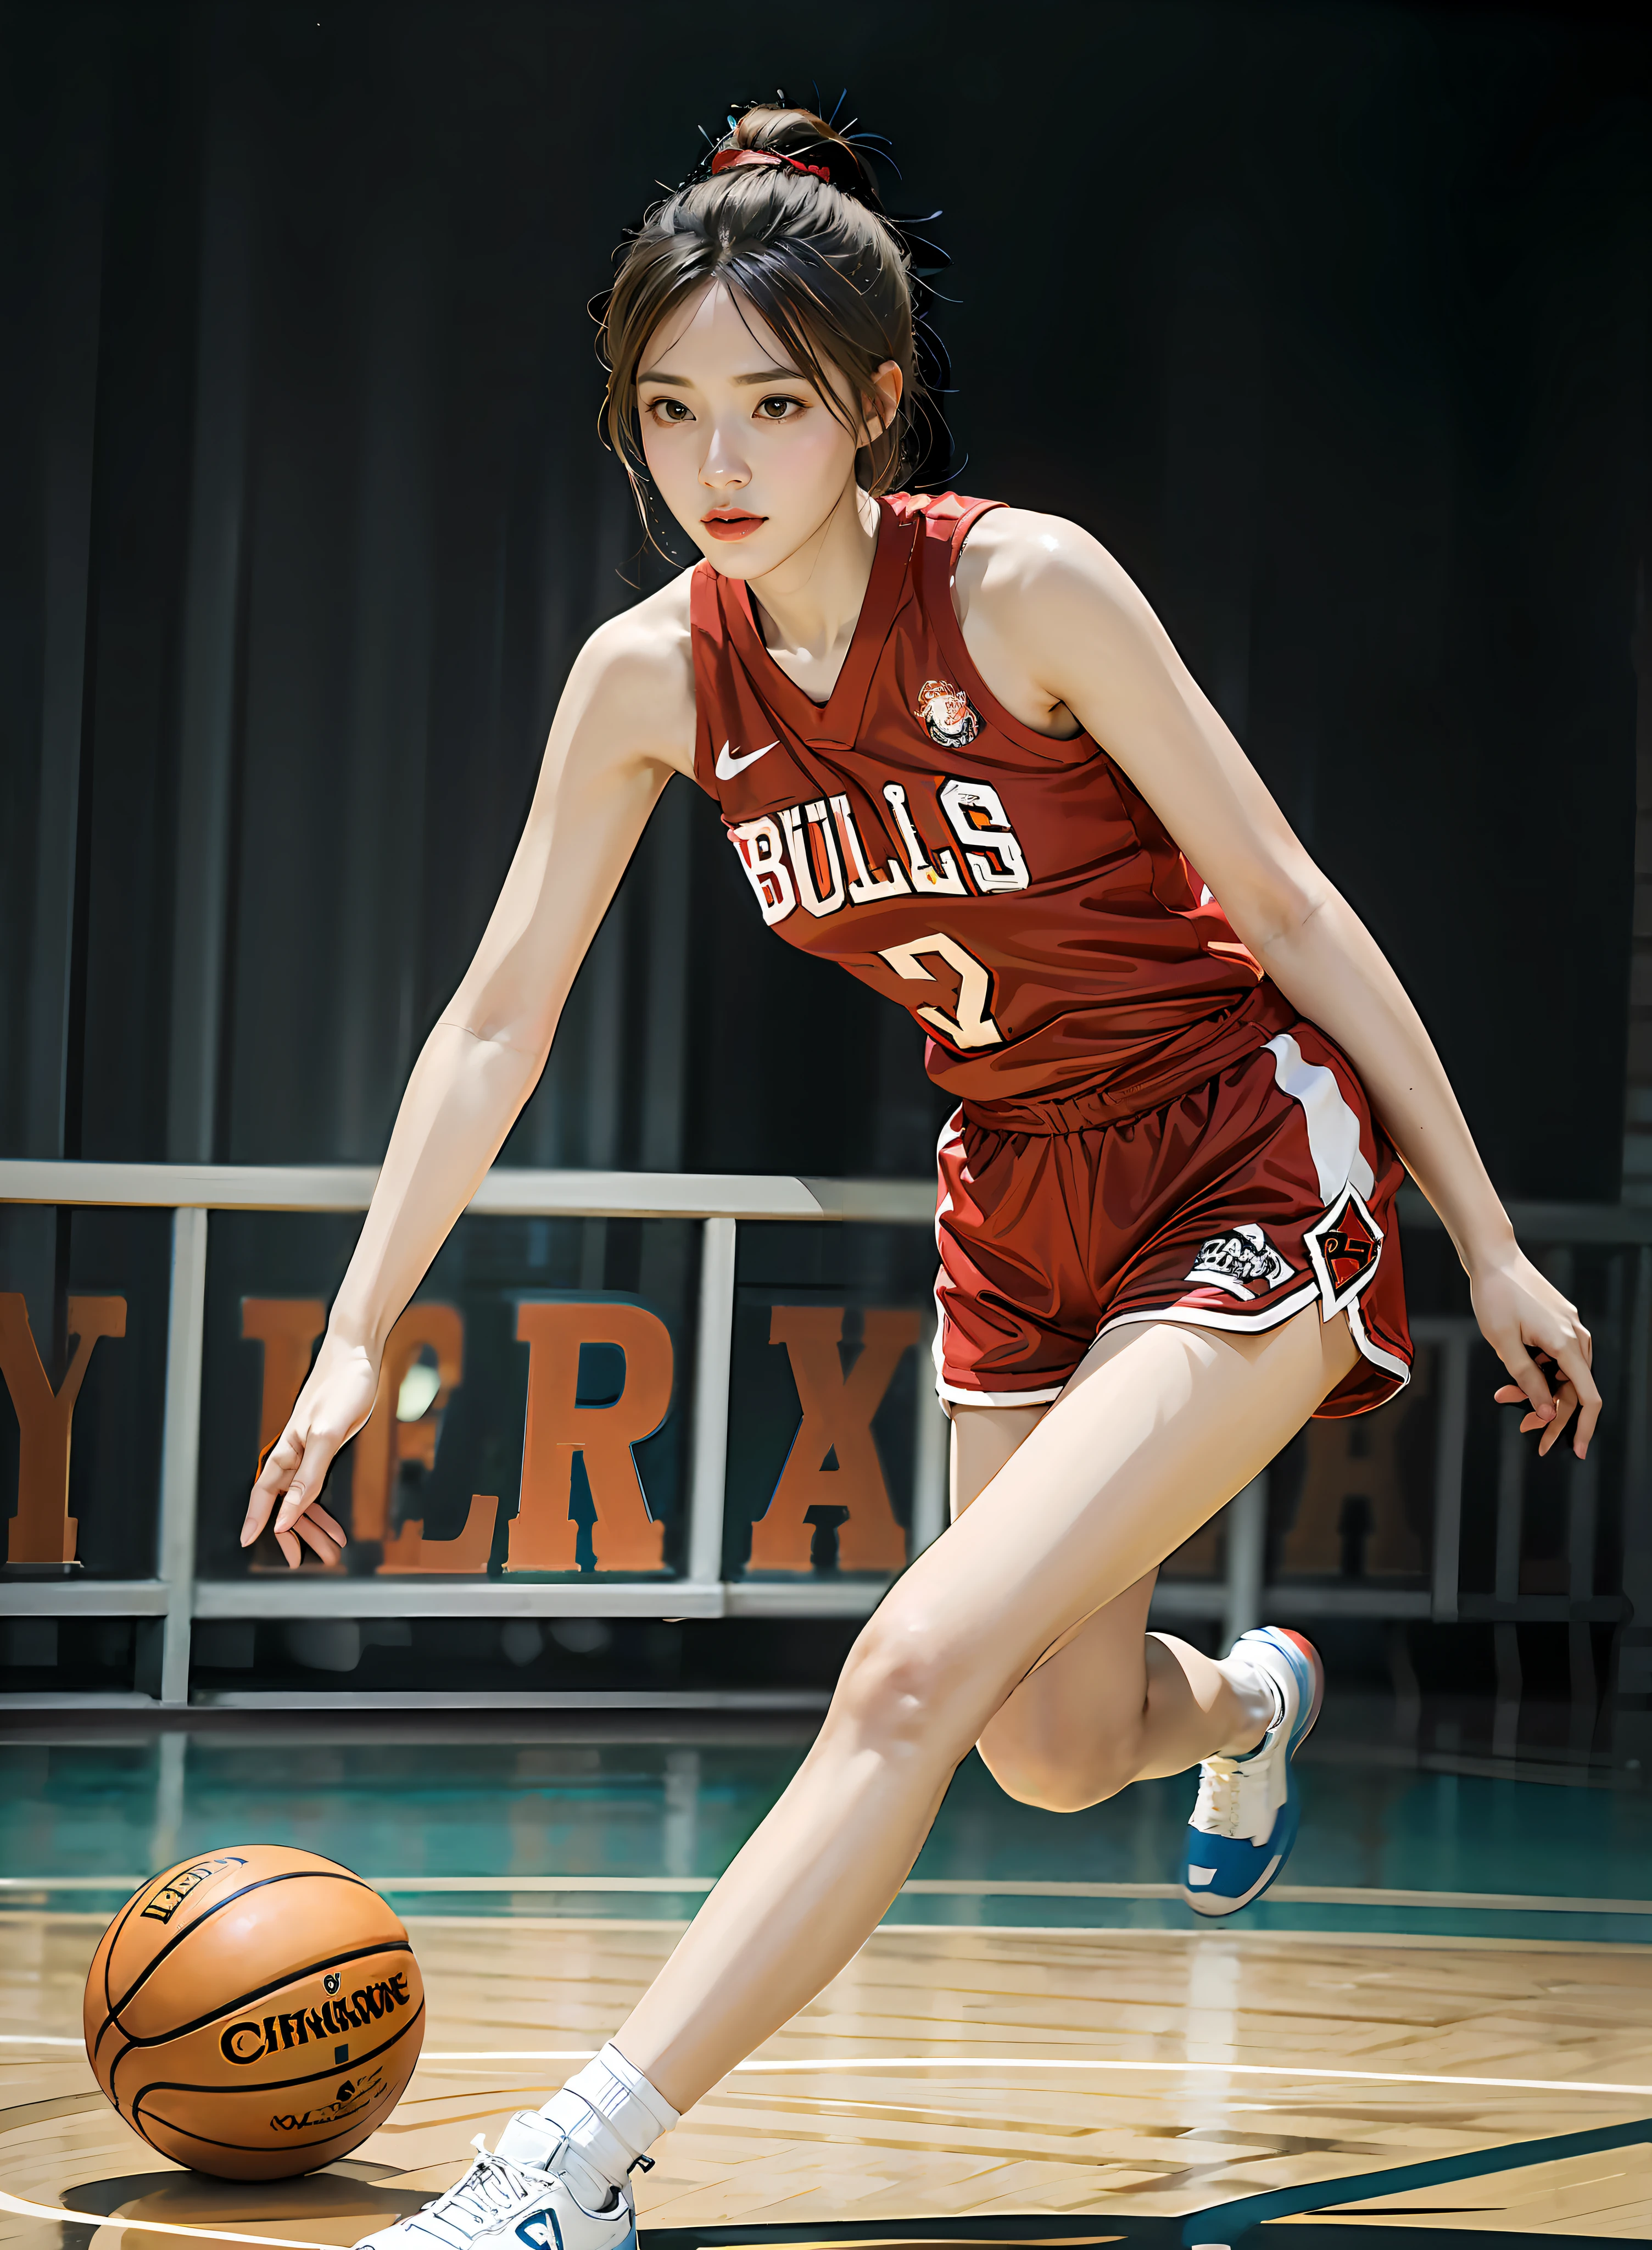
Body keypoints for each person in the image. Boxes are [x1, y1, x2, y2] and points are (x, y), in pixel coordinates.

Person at [239, 101, 1598, 2250]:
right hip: (1016, 1194)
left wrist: (1492, 1240)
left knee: (905, 1669)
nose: (721, 459)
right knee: (1051, 1746)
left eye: (772, 404)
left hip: (1233, 1152)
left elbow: (1295, 906)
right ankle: (1251, 1704)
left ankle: (565, 2167)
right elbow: (494, 1020)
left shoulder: (1023, 590)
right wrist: (353, 1336)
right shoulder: (641, 684)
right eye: (669, 410)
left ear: (869, 405)